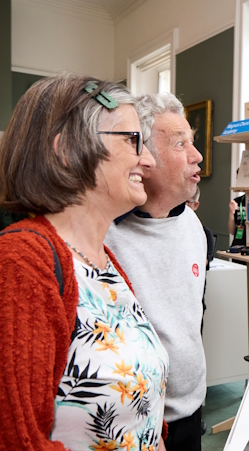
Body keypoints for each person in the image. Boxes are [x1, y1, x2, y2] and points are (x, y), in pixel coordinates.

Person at [0, 74, 168, 450]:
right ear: (66, 150)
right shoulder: (23, 264)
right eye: (132, 140)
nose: (148, 159)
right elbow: (16, 440)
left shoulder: (105, 261)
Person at [105, 92, 207, 451]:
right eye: (181, 144)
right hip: (135, 422)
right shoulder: (104, 236)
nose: (196, 156)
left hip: (191, 412)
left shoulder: (194, 226)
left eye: (192, 143)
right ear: (142, 157)